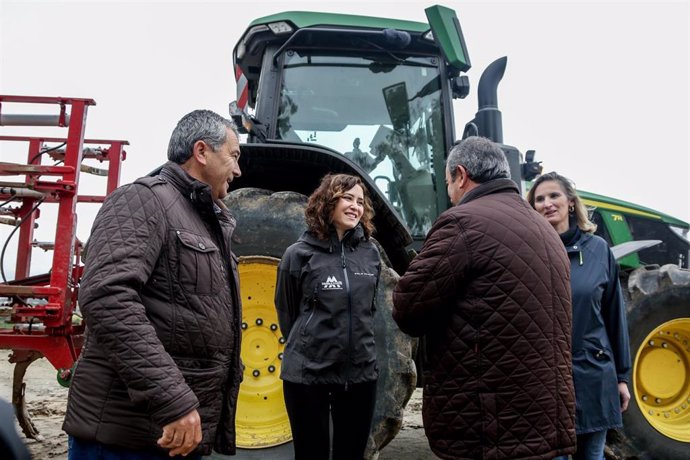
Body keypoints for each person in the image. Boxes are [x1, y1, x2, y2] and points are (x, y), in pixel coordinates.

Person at [62, 110, 243, 459]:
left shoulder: (204, 222)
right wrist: (172, 400)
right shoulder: (143, 200)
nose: (238, 170)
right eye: (233, 156)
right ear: (201, 151)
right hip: (126, 438)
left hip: (171, 434)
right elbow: (106, 298)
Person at [392, 136, 577, 460]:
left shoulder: (463, 223)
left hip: (488, 425)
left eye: (449, 183)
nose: (450, 195)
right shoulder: (545, 229)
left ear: (461, 176)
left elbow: (408, 310)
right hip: (545, 417)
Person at [274, 173, 381, 460]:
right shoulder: (297, 254)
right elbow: (288, 313)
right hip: (308, 375)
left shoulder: (371, 254)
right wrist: (311, 343)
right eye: (347, 198)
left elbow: (368, 310)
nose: (355, 206)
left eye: (360, 201)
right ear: (327, 203)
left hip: (359, 375)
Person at [527, 171, 632, 460]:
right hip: (547, 383)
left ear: (571, 203)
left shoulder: (599, 250)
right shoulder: (529, 254)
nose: (547, 203)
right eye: (539, 199)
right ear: (532, 207)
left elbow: (615, 318)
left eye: (554, 196)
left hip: (594, 378)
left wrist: (622, 377)